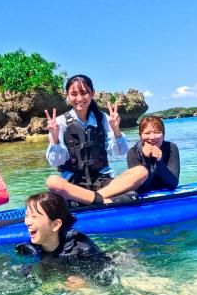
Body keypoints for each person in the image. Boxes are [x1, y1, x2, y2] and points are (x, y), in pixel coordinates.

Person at [44, 74, 148, 206]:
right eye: (74, 94)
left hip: (103, 180)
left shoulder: (103, 118)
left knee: (141, 171)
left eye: (84, 92)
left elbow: (119, 153)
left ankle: (90, 199)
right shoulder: (59, 122)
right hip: (73, 183)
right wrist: (54, 138)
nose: (79, 98)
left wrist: (116, 130)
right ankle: (106, 200)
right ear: (68, 96)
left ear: (92, 93)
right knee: (53, 182)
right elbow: (56, 161)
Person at [16, 192, 114, 287]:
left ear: (55, 225)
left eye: (34, 216)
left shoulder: (82, 250)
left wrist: (86, 284)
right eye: (27, 215)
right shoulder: (29, 249)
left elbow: (107, 277)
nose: (27, 222)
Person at [126, 115, 180, 195]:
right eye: (147, 133)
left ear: (163, 134)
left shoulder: (171, 148)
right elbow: (142, 187)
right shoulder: (133, 153)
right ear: (140, 135)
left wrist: (160, 161)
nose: (152, 137)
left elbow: (173, 184)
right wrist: (146, 159)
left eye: (157, 132)